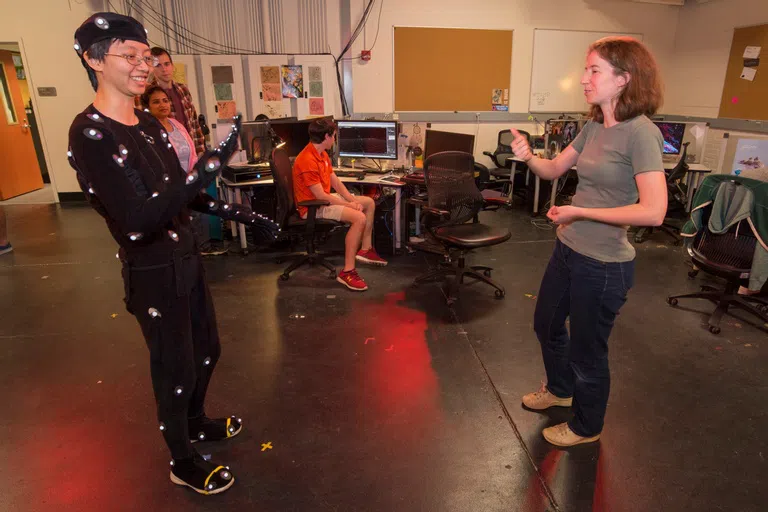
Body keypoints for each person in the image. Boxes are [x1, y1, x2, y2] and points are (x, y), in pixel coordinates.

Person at [68, 12, 277, 494]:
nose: (145, 66)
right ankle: (182, 460)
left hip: (186, 257)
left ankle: (197, 421)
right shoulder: (92, 133)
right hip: (152, 268)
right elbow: (139, 217)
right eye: (130, 56)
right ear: (94, 60)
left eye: (147, 57)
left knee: (207, 349)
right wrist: (205, 168)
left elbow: (181, 196)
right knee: (174, 366)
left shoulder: (146, 121)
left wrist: (246, 216)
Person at [510, 37, 667, 447]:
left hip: (603, 264)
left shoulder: (641, 134)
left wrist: (580, 211)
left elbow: (653, 212)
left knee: (587, 352)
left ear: (624, 79)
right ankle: (560, 389)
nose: (584, 79)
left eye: (594, 70)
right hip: (568, 250)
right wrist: (527, 155)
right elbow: (552, 169)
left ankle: (586, 426)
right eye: (586, 69)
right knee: (545, 324)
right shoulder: (594, 125)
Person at [292, 118, 387, 291]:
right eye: (334, 136)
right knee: (359, 218)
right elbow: (321, 196)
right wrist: (350, 206)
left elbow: (335, 182)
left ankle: (365, 249)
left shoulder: (322, 154)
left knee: (368, 202)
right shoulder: (307, 160)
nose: (335, 140)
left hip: (323, 200)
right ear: (327, 137)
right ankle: (348, 272)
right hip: (312, 207)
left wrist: (352, 200)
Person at [147, 47, 205, 155]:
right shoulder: (148, 94)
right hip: (167, 153)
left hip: (190, 153)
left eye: (167, 64)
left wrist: (200, 151)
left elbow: (194, 122)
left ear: (172, 66)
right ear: (151, 68)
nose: (164, 69)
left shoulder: (183, 89)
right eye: (158, 65)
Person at [141, 85, 197, 173]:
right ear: (148, 107)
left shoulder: (177, 124)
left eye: (165, 101)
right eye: (156, 102)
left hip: (190, 180)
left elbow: (193, 154)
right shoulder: (147, 130)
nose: (162, 105)